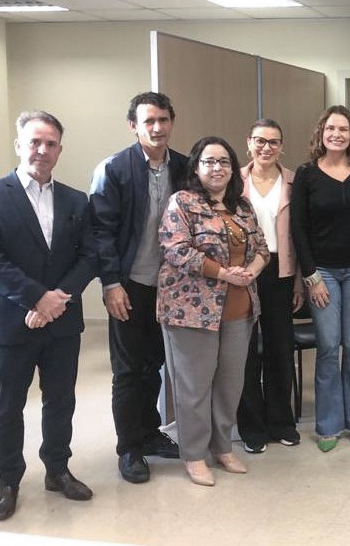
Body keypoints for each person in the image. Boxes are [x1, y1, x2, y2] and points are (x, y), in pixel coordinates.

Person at [0, 111, 98, 521]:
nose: (42, 150)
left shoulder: (77, 200)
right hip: (8, 322)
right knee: (8, 405)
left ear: (60, 148)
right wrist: (38, 299)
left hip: (62, 323)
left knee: (61, 401)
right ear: (19, 145)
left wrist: (57, 300)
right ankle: (8, 480)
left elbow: (89, 255)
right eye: (34, 142)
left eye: (51, 143)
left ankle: (57, 470)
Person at [158, 136, 268, 486]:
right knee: (194, 387)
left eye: (224, 161)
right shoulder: (182, 203)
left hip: (239, 308)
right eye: (209, 161)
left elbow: (262, 247)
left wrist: (253, 269)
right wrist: (223, 273)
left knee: (229, 384)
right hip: (192, 310)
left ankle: (222, 447)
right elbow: (176, 250)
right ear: (196, 167)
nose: (217, 168)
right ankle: (193, 455)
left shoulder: (242, 206)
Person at [89, 92, 187, 484]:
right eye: (149, 121)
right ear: (134, 125)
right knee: (129, 370)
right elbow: (101, 233)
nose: (157, 128)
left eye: (163, 120)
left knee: (155, 365)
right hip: (130, 284)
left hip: (171, 287)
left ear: (171, 122)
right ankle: (129, 447)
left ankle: (149, 434)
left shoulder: (183, 167)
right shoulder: (113, 168)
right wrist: (111, 283)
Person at [292, 106, 350, 452]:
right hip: (321, 272)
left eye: (343, 129)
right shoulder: (307, 174)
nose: (337, 134)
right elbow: (297, 227)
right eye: (330, 128)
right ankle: (328, 424)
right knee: (328, 346)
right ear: (321, 134)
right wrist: (310, 275)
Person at [237, 118, 303, 454]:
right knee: (245, 351)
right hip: (244, 272)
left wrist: (298, 281)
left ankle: (281, 421)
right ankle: (251, 427)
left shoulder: (293, 180)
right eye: (260, 141)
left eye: (274, 142)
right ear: (248, 142)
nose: (266, 148)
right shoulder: (235, 180)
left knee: (280, 348)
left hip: (281, 270)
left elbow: (299, 232)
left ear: (282, 146)